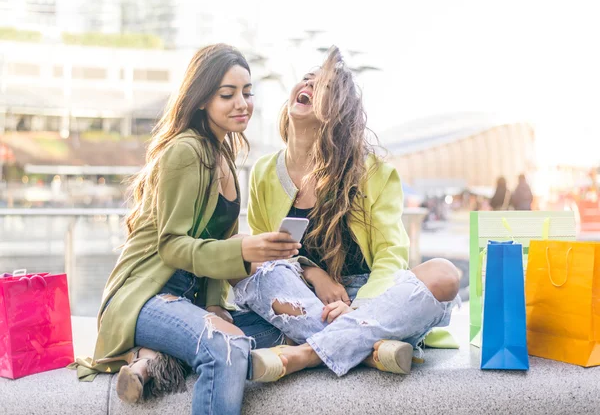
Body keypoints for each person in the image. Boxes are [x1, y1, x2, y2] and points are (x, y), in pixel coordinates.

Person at [71, 44, 301, 415]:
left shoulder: (222, 155)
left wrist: (214, 304)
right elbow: (172, 247)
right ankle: (154, 353)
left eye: (247, 92)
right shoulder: (185, 151)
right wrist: (243, 251)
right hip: (145, 299)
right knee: (225, 347)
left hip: (190, 304)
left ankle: (156, 361)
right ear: (200, 100)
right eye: (227, 94)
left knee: (274, 331)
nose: (241, 102)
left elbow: (214, 244)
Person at [233, 47, 461, 382]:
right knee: (241, 253)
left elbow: (390, 254)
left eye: (324, 86)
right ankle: (369, 349)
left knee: (445, 274)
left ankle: (307, 353)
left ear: (338, 111)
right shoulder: (266, 171)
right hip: (304, 300)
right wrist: (313, 274)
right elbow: (268, 258)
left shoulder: (373, 172)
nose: (309, 84)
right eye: (308, 78)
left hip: (373, 302)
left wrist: (359, 309)